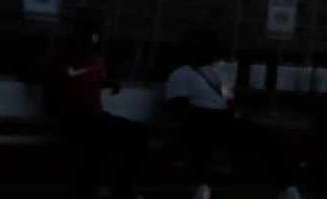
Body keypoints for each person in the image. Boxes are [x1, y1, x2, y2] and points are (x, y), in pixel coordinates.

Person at [162, 33, 304, 199]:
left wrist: (235, 113)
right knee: (200, 139)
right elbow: (177, 105)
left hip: (222, 119)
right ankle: (202, 186)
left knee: (266, 137)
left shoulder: (218, 73)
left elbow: (228, 100)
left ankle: (287, 187)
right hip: (198, 118)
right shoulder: (182, 73)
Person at [42, 16, 148, 199]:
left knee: (136, 134)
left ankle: (122, 188)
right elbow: (54, 86)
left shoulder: (96, 60)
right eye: (88, 34)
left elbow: (94, 79)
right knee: (97, 144)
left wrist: (109, 82)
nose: (91, 39)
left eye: (93, 35)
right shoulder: (61, 59)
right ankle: (104, 189)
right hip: (73, 118)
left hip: (94, 117)